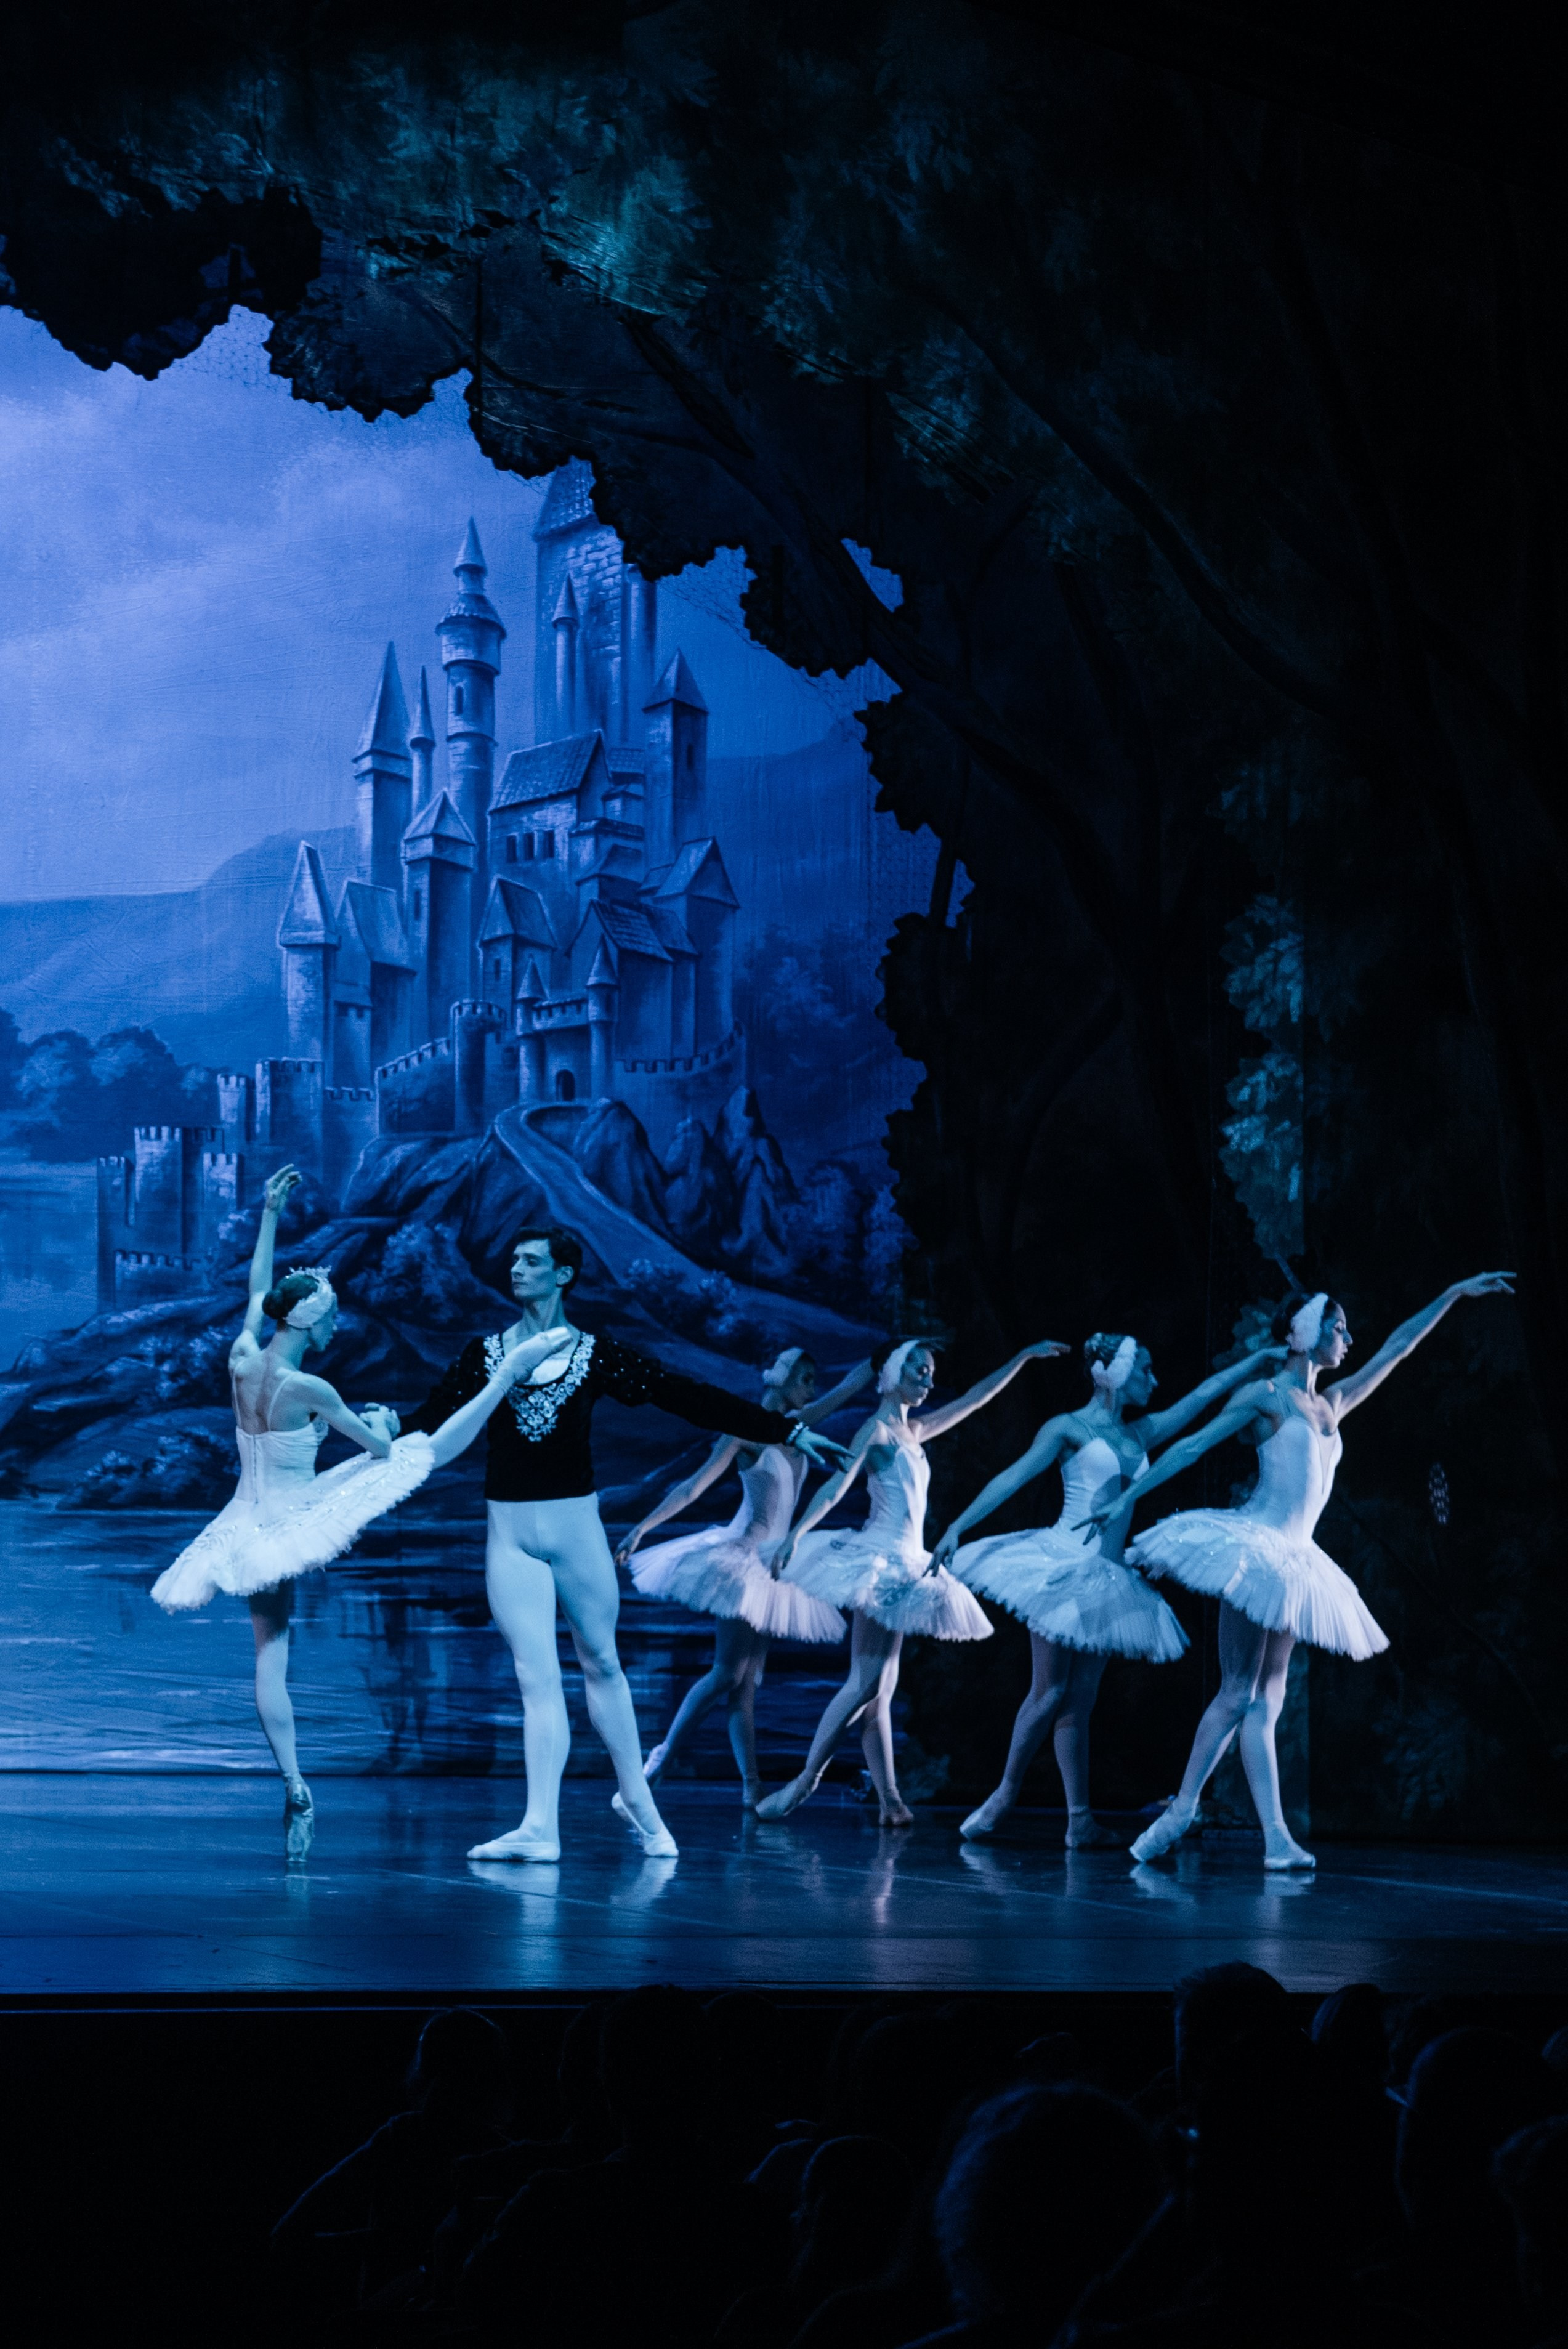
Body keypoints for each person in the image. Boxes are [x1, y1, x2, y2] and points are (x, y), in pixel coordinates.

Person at [394, 1226, 849, 1862]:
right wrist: (379, 1425)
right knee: (535, 1677)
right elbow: (429, 1421)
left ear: (564, 1275)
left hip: (575, 1530)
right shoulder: (484, 1355)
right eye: (513, 1259)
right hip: (509, 1534)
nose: (515, 1268)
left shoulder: (595, 1354)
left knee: (602, 1664)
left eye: (531, 1261)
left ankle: (639, 1800)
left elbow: (686, 1395)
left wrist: (786, 1430)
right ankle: (539, 1828)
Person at [152, 1167, 562, 1851]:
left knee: (270, 1655)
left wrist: (269, 1214)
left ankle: (293, 1783)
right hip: (292, 1514)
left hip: (240, 1519)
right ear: (312, 1321)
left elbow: (257, 1289)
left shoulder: (244, 1355)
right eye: (334, 1314)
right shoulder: (310, 1384)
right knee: (414, 1454)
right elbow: (375, 1447)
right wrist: (379, 1420)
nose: (340, 1322)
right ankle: (502, 1382)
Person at [1086, 1276, 1514, 1869]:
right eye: (1338, 1328)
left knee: (1269, 1699)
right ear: (1308, 1333)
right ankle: (1181, 1809)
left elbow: (1399, 1348)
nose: (1349, 1338)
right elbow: (1193, 1447)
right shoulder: (1267, 1397)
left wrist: (1452, 1294)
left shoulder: (1331, 1404)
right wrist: (1125, 1498)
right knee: (1238, 1692)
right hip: (1256, 1547)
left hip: (1297, 1557)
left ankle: (1276, 1839)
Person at [931, 1332, 1287, 1846]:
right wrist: (957, 1526)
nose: (1154, 1378)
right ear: (1114, 1373)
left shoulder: (1140, 1434)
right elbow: (1013, 1478)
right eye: (1144, 1368)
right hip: (1061, 1567)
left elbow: (1203, 1394)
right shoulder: (1067, 1429)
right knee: (1048, 1691)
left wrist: (1255, 1361)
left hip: (1108, 1578)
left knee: (1080, 1699)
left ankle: (1079, 1820)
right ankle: (1003, 1795)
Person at [756, 1335, 1068, 1826]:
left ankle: (890, 1802)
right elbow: (837, 1489)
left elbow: (975, 1399)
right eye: (919, 1369)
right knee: (864, 1682)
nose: (929, 1378)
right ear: (893, 1372)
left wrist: (1021, 1357)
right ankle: (804, 1783)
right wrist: (797, 1533)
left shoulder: (913, 1432)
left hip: (907, 1562)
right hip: (879, 1559)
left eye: (931, 1372)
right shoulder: (876, 1432)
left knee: (882, 1689)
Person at [615, 1347, 873, 1805]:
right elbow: (693, 1486)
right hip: (740, 1560)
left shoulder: (797, 1428)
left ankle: (751, 1785)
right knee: (728, 1672)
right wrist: (643, 1527)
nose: (811, 1388)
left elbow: (846, 1389)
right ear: (781, 1379)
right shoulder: (744, 1430)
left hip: (775, 1566)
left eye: (813, 1380)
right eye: (805, 1378)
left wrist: (882, 1360)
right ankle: (661, 1757)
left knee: (748, 1681)